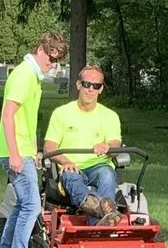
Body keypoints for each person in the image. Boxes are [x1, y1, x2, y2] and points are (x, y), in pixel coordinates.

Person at [0, 31, 68, 248]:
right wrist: (15, 154)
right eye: (51, 57)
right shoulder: (24, 75)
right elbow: (7, 115)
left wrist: (33, 150)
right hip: (15, 152)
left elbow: (27, 120)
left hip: (23, 151)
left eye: (57, 61)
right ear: (40, 49)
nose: (52, 64)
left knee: (23, 204)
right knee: (32, 205)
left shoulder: (33, 77)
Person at [44, 64, 122, 225]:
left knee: (107, 174)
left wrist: (107, 146)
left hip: (99, 167)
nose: (90, 89)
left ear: (101, 89)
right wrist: (65, 161)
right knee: (71, 175)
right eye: (86, 84)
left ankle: (98, 222)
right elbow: (49, 147)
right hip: (72, 167)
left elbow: (116, 143)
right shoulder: (61, 113)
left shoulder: (110, 116)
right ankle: (102, 216)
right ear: (79, 84)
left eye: (96, 86)